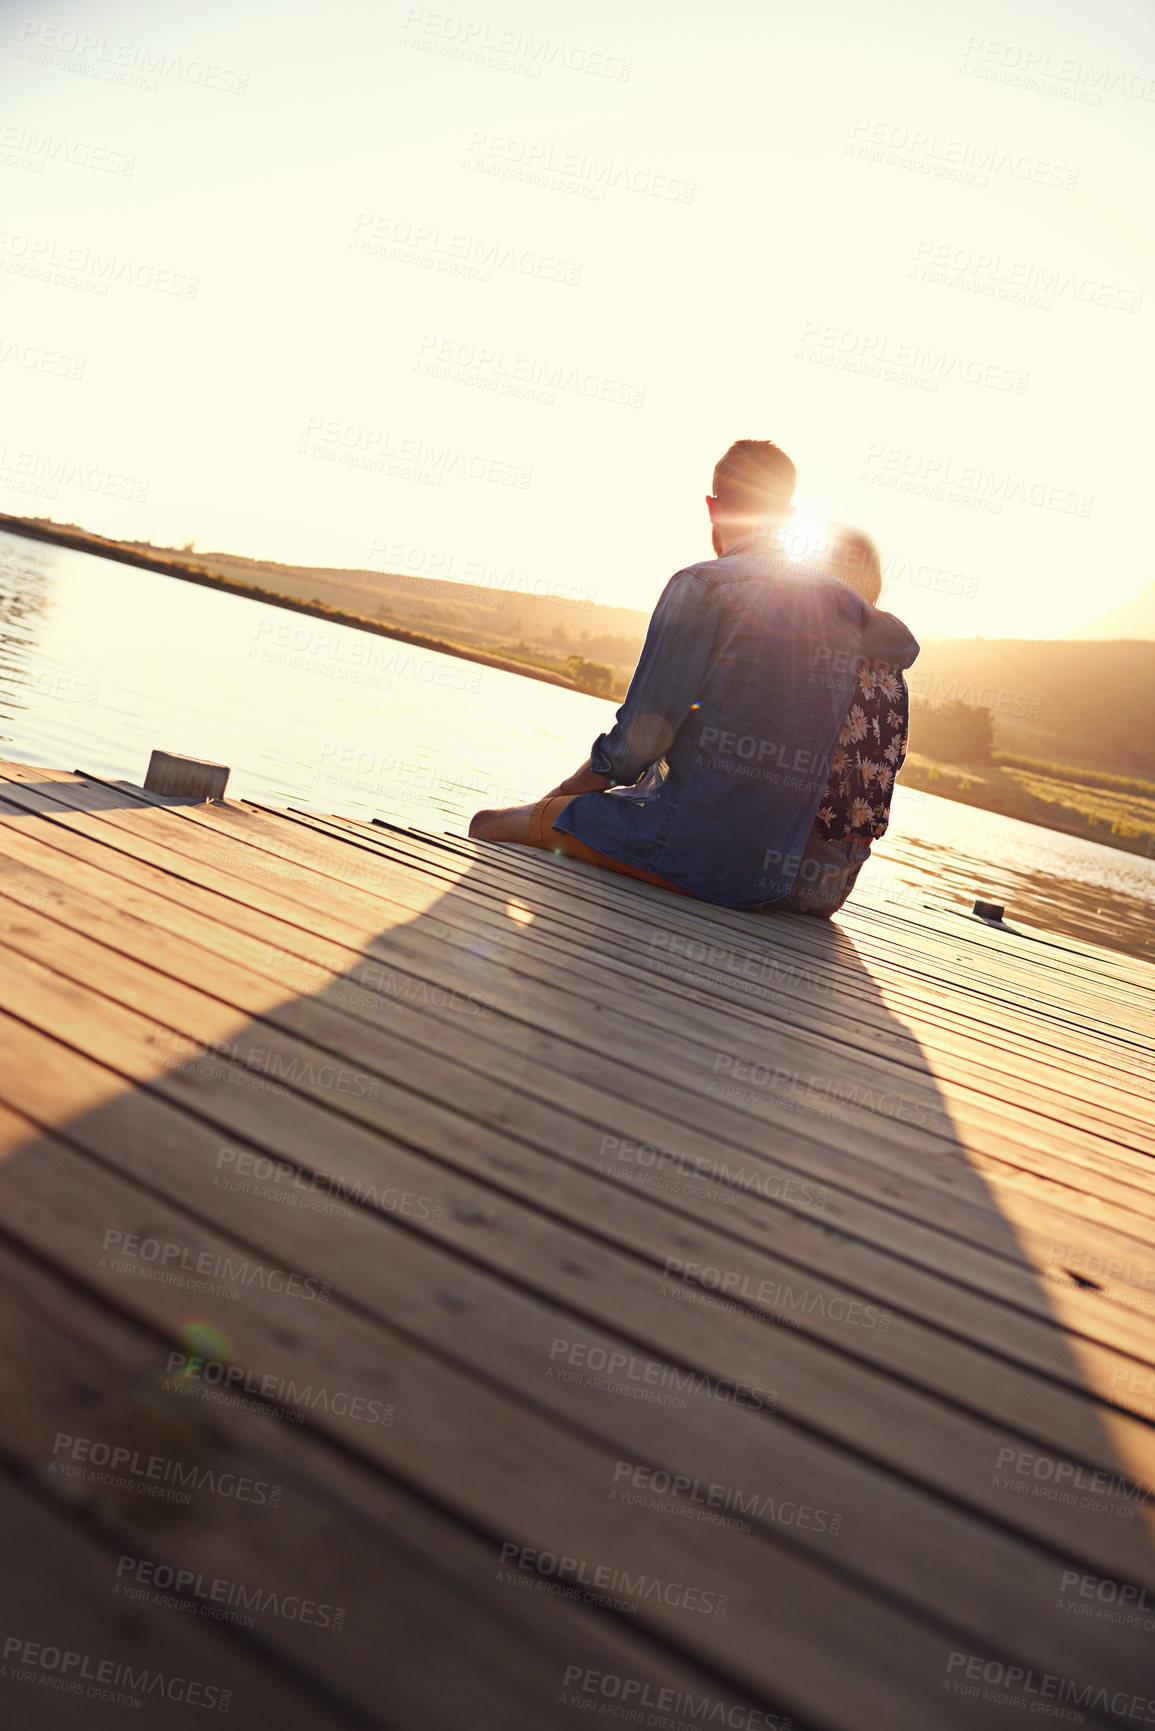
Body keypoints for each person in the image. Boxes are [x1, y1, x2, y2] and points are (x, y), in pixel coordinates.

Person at [468, 440, 919, 913]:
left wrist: (562, 797)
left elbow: (634, 747)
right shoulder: (842, 606)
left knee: (488, 824)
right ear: (787, 516)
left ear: (712, 507)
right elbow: (902, 642)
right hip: (772, 875)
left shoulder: (700, 586)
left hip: (686, 849)